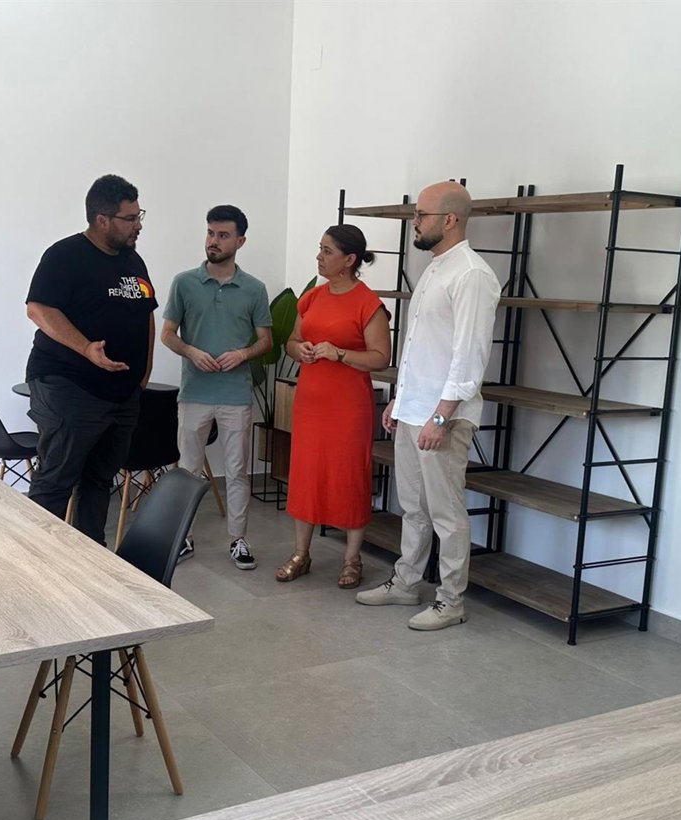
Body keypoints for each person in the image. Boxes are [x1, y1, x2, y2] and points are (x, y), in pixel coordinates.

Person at [356, 181, 499, 630]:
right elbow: (421, 347)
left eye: (421, 214)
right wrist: (400, 401)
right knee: (413, 507)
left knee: (446, 513)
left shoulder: (472, 275)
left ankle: (451, 601)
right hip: (414, 411)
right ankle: (406, 582)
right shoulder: (437, 268)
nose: (415, 222)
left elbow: (468, 356)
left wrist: (441, 416)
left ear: (450, 220)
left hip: (443, 418)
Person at [23, 174, 156, 546]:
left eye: (139, 215)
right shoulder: (64, 256)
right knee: (56, 482)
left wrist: (143, 373)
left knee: (100, 481)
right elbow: (38, 309)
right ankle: (34, 561)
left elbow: (146, 313)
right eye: (130, 218)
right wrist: (85, 348)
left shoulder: (134, 261)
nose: (138, 225)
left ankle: (90, 558)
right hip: (70, 387)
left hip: (122, 395)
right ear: (102, 220)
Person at [275, 224, 391, 588]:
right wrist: (301, 350)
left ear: (349, 259)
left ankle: (352, 559)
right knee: (306, 474)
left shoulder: (368, 304)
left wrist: (340, 353)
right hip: (311, 403)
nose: (319, 257)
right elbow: (292, 341)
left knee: (349, 475)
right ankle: (301, 554)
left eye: (327, 251)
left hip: (349, 407)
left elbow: (381, 358)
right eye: (320, 249)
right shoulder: (312, 298)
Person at [162, 205, 272, 570]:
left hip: (235, 395)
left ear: (240, 241)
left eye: (223, 235)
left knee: (237, 471)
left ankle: (238, 539)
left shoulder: (254, 289)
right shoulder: (184, 283)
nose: (213, 241)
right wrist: (191, 352)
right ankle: (183, 537)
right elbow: (167, 334)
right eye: (210, 233)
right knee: (187, 471)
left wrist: (242, 354)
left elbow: (266, 341)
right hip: (194, 393)